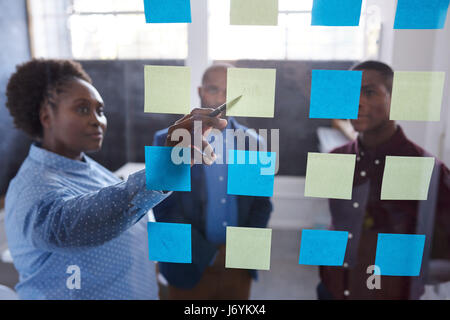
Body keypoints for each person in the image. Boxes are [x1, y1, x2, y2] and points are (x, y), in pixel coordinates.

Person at [4, 59, 226, 299]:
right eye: (82, 109)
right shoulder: (32, 186)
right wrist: (164, 170)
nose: (97, 120)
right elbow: (72, 226)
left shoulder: (91, 169)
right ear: (46, 116)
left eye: (100, 110)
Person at [318, 60, 450, 300]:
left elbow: (444, 256)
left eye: (369, 92)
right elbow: (338, 223)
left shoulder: (427, 169)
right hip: (333, 290)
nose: (356, 102)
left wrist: (402, 277)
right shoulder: (336, 159)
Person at [152, 64, 273, 299]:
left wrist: (239, 253)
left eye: (229, 92)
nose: (221, 98)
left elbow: (261, 205)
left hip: (239, 265)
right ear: (200, 91)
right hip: (186, 266)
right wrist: (209, 254)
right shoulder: (167, 140)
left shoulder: (254, 142)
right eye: (214, 89)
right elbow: (163, 208)